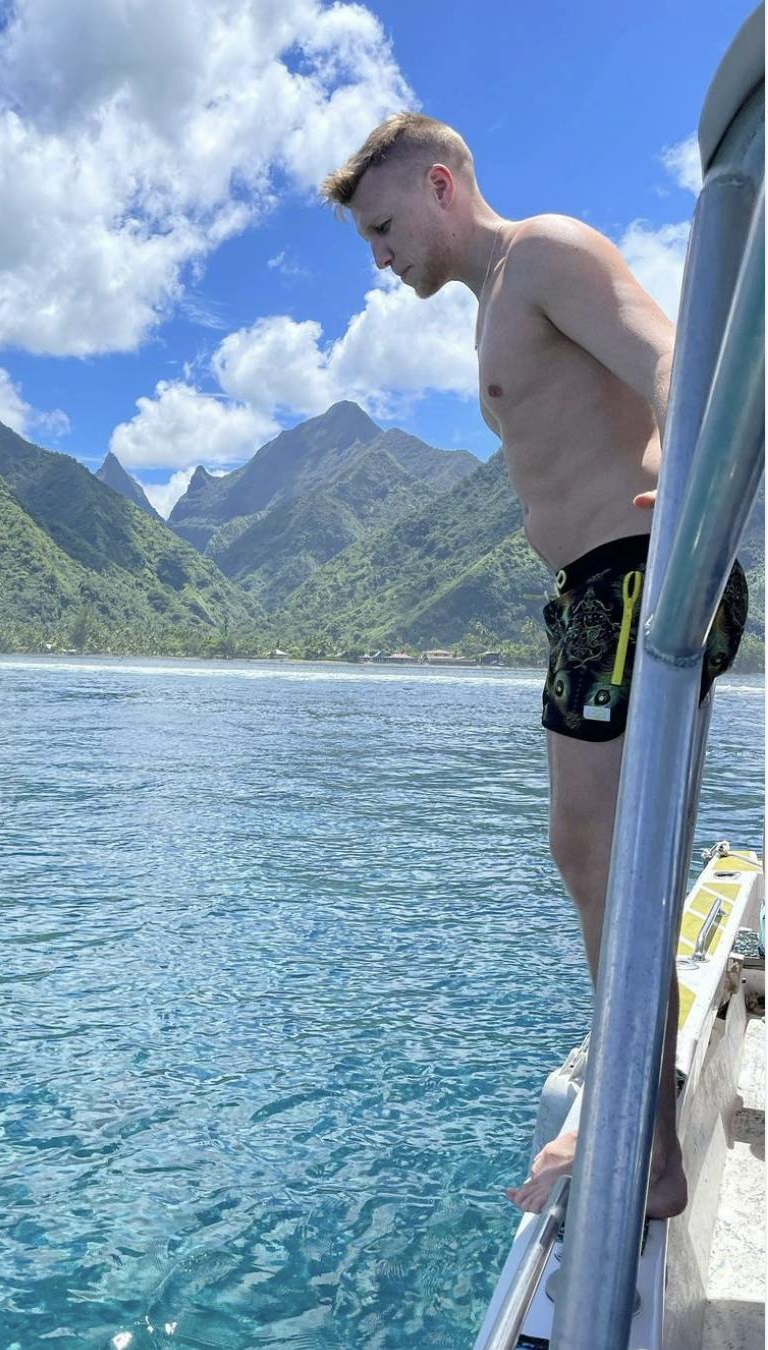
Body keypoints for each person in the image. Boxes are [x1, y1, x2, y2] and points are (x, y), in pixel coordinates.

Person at [319, 112, 748, 1220]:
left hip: (634, 572)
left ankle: (643, 1142)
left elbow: (669, 356)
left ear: (441, 185)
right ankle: (638, 1115)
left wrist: (686, 481)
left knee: (599, 854)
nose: (379, 258)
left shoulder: (546, 251)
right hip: (596, 593)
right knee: (599, 855)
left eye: (382, 228)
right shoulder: (494, 305)